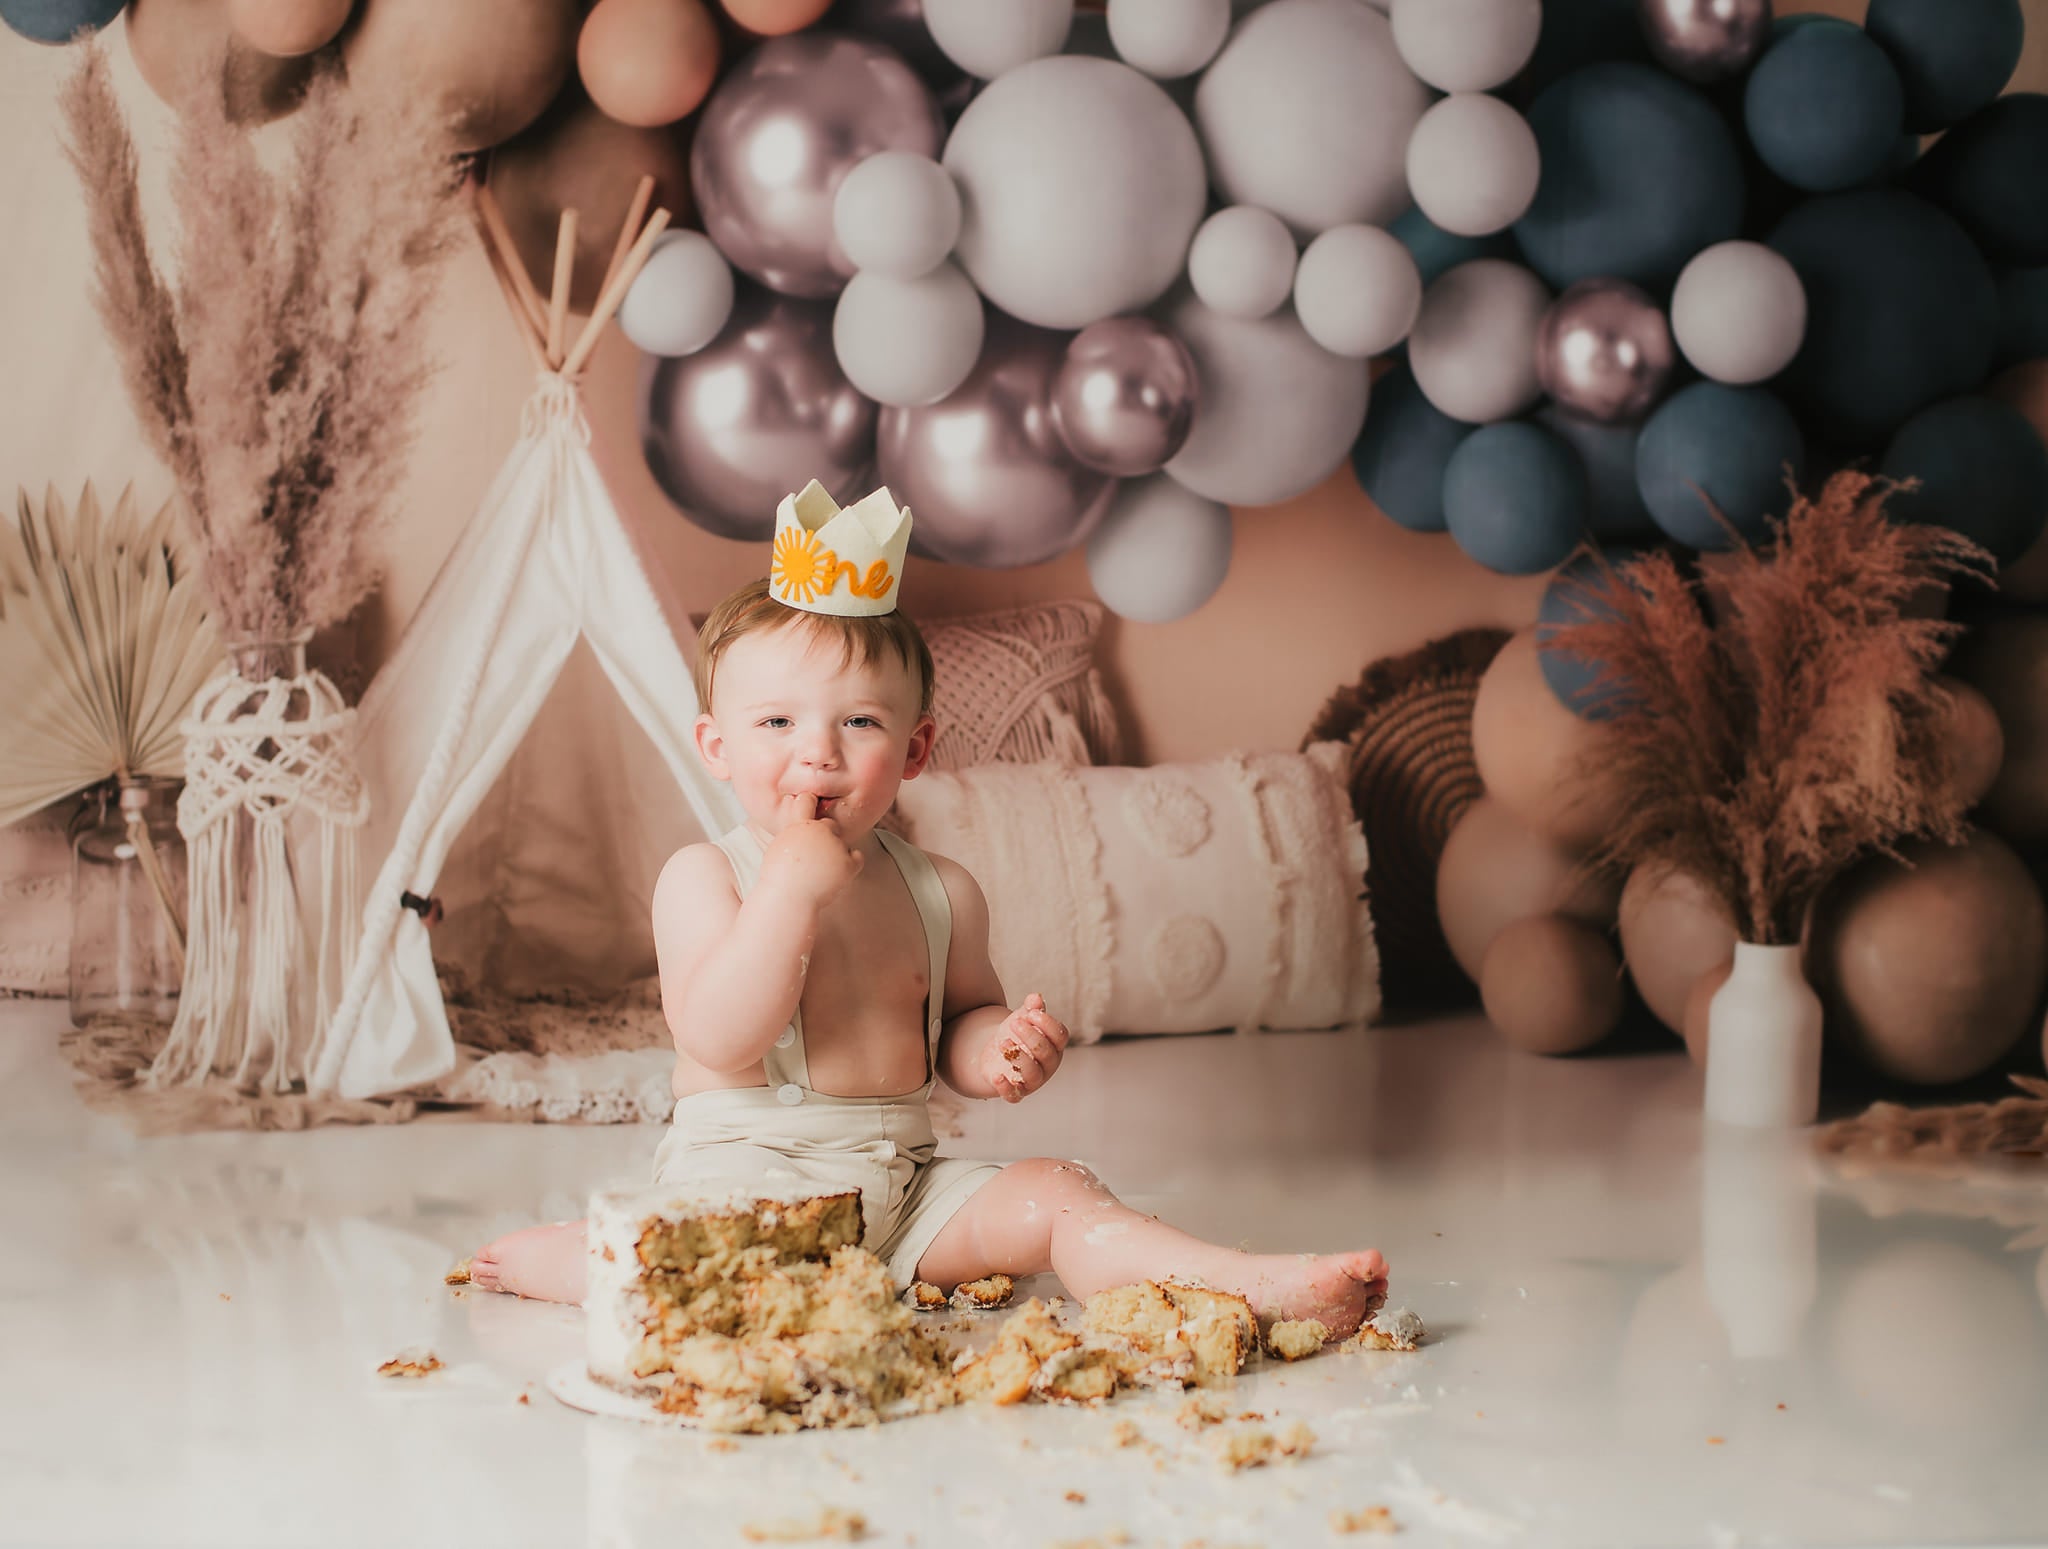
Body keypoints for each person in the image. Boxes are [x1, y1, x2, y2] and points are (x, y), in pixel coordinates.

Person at [469, 482, 1389, 1334]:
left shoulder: (940, 889)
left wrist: (996, 1049)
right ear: (716, 745)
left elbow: (953, 1025)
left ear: (915, 750)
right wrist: (790, 888)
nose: (818, 753)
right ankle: (571, 1255)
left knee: (1058, 1190)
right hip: (748, 1189)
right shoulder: (706, 877)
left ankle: (1239, 1287)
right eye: (777, 722)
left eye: (859, 722)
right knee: (689, 1276)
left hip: (906, 1193)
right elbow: (720, 1037)